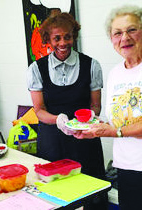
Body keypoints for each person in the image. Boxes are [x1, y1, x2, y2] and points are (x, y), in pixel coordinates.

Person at [74, 5, 142, 210]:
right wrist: (93, 129)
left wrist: (115, 132)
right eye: (117, 33)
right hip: (127, 166)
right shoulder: (116, 73)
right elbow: (117, 120)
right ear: (111, 39)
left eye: (131, 30)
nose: (124, 38)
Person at [26, 12, 108, 209]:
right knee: (56, 197)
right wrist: (59, 120)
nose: (63, 42)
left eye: (67, 36)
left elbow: (95, 105)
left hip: (85, 139)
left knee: (91, 194)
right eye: (57, 38)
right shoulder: (37, 68)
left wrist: (89, 118)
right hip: (52, 141)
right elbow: (39, 110)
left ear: (74, 36)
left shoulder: (91, 65)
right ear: (48, 40)